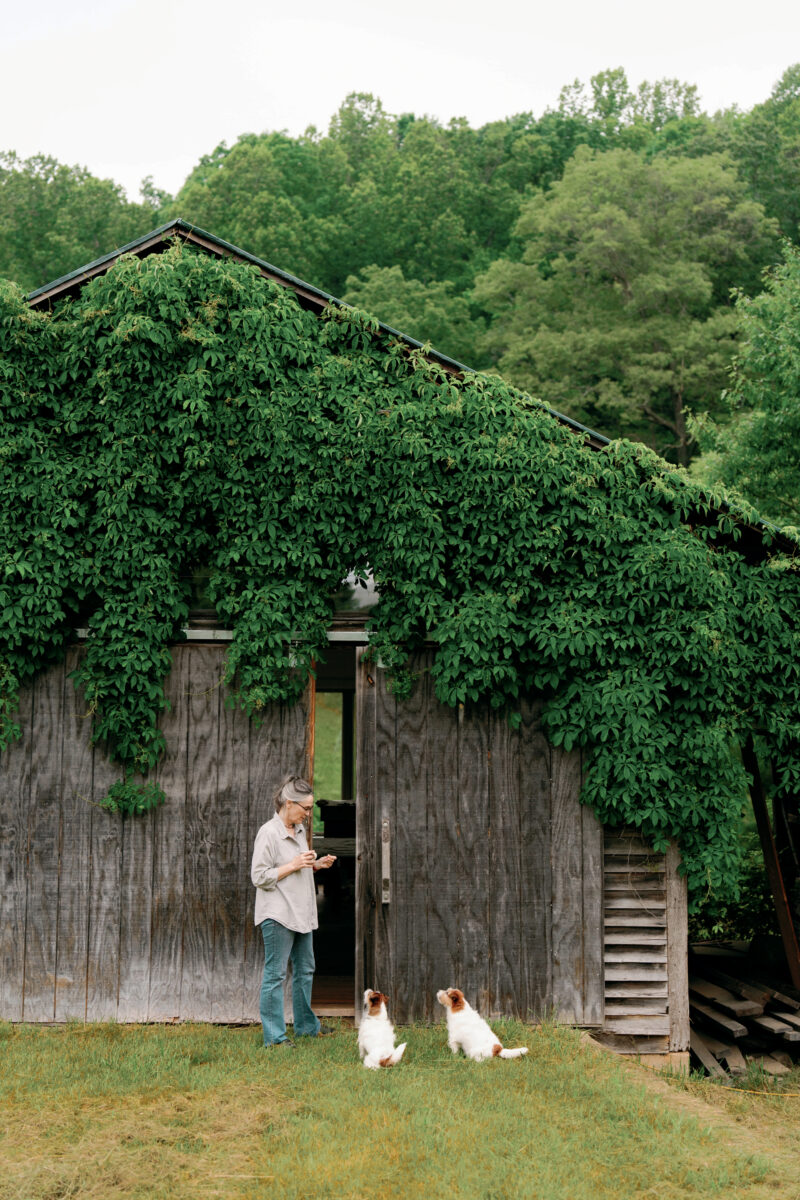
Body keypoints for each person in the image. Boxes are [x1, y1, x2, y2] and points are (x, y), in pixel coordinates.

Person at [251, 774, 337, 1048]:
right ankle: (274, 1038)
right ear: (289, 803)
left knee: (306, 969)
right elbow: (259, 876)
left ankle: (306, 1026)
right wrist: (295, 864)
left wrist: (315, 864)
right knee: (275, 975)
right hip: (278, 915)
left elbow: (296, 865)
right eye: (306, 808)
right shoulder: (269, 833)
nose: (309, 815)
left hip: (302, 913)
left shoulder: (298, 831)